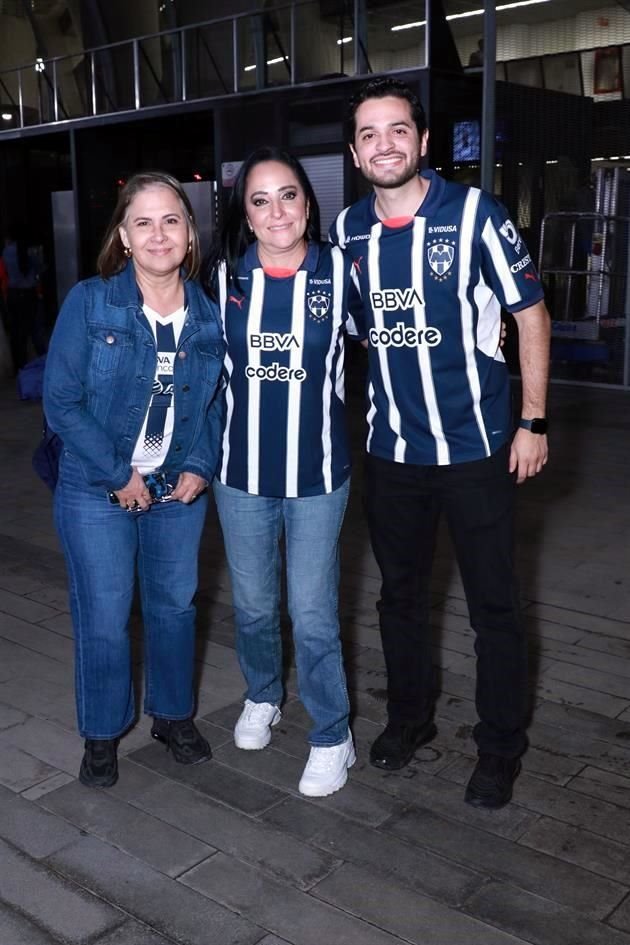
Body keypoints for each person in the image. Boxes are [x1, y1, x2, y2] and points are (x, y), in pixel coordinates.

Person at [330, 77, 551, 809]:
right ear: (357, 153)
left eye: (398, 130)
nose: (385, 144)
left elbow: (531, 312)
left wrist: (534, 420)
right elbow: (348, 332)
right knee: (398, 600)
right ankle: (409, 717)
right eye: (369, 133)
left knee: (495, 606)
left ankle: (499, 747)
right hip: (392, 452)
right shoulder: (348, 232)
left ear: (423, 142)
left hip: (479, 448)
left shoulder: (475, 215)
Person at [43, 171, 225, 788]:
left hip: (178, 489)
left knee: (174, 607)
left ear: (190, 232)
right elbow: (61, 401)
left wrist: (201, 464)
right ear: (123, 235)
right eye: (142, 222)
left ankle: (172, 716)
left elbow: (214, 401)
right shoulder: (92, 303)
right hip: (97, 486)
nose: (158, 234)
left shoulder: (208, 312)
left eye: (171, 219)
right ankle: (101, 733)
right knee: (105, 614)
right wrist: (119, 473)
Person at [204, 147, 359, 797]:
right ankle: (263, 693)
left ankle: (333, 733)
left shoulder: (341, 271)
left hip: (318, 473)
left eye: (288, 195)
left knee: (313, 608)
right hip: (239, 474)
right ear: (245, 213)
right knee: (254, 603)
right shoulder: (221, 280)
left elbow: (398, 342)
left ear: (308, 201)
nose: (276, 211)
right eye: (260, 199)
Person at [2, 226, 41, 373]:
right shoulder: (31, 251)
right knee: (34, 328)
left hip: (14, 293)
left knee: (17, 331)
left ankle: (20, 363)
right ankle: (38, 362)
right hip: (29, 293)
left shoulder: (7, 251)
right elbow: (39, 269)